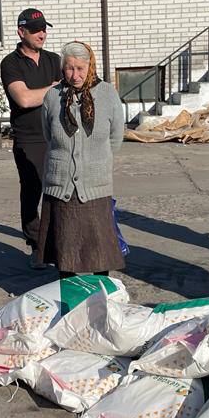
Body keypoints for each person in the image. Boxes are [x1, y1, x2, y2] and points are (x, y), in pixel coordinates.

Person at [37, 41, 125, 277]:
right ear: (62, 68)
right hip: (60, 185)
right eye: (69, 68)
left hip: (96, 185)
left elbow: (116, 137)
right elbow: (49, 136)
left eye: (80, 69)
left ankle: (100, 295)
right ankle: (69, 296)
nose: (75, 75)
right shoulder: (52, 96)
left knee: (100, 254)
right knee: (66, 255)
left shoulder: (107, 94)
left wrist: (94, 161)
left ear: (90, 67)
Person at [0, 8, 62, 269]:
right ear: (21, 32)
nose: (42, 34)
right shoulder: (10, 63)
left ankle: (58, 242)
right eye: (36, 30)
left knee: (58, 191)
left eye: (44, 29)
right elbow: (24, 99)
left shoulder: (54, 59)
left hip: (56, 134)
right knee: (32, 191)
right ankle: (36, 244)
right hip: (29, 139)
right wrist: (56, 88)